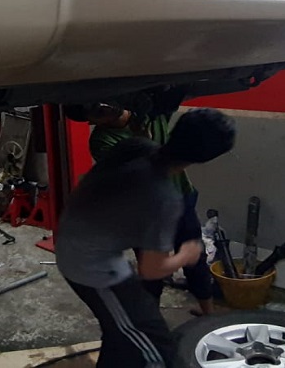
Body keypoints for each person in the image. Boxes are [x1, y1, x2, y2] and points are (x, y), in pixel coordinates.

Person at [55, 109, 237, 368]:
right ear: (206, 158)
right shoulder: (163, 198)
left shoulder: (134, 146)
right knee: (155, 348)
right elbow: (151, 270)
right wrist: (186, 255)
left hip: (72, 238)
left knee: (120, 332)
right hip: (91, 267)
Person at [65, 100, 216, 317]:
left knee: (196, 259)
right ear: (91, 121)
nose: (104, 107)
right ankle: (152, 321)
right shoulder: (101, 141)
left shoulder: (149, 111)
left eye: (102, 102)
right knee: (151, 272)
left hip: (181, 196)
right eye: (96, 111)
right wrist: (143, 138)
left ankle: (209, 315)